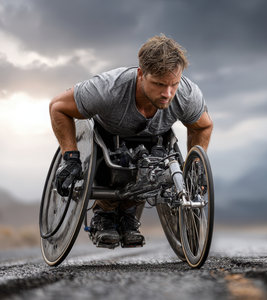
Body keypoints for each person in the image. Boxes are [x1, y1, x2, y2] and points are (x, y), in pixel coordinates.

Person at [49, 34, 213, 248]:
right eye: (159, 84)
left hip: (156, 140)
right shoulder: (108, 88)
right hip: (108, 139)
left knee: (152, 161)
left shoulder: (186, 94)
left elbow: (202, 126)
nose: (167, 93)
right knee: (113, 161)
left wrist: (194, 168)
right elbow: (58, 107)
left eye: (174, 84)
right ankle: (105, 213)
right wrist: (70, 157)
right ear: (141, 74)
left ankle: (128, 216)